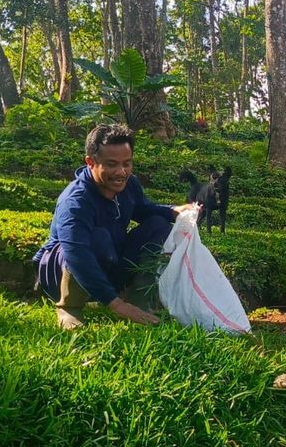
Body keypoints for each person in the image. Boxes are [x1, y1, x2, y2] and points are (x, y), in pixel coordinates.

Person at [33, 124, 192, 330]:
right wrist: (116, 305)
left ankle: (138, 299)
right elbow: (76, 254)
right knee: (97, 238)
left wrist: (174, 211)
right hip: (63, 270)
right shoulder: (75, 203)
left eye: (127, 163)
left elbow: (143, 209)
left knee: (158, 224)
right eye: (111, 164)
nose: (121, 172)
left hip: (110, 260)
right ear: (90, 162)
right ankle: (69, 307)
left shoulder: (129, 184)